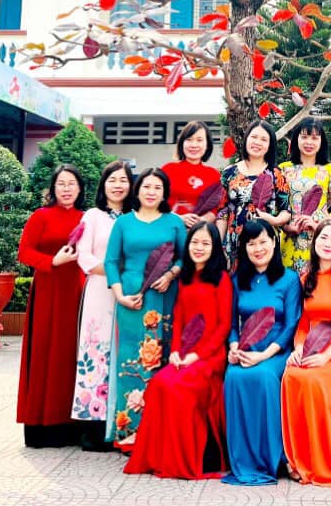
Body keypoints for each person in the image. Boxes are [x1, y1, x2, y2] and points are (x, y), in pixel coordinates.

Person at [125, 222, 233, 479]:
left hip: (210, 356)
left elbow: (223, 326)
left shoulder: (222, 279)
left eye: (205, 243)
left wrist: (198, 355)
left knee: (180, 387)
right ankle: (159, 456)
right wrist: (175, 351)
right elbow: (179, 319)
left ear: (215, 248)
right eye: (195, 242)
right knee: (159, 383)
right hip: (185, 352)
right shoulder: (185, 279)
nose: (199, 248)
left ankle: (184, 458)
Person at [104, 167, 187, 448]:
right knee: (131, 363)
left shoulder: (173, 222)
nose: (151, 192)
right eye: (147, 187)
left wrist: (171, 274)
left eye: (157, 188)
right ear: (138, 190)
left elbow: (184, 258)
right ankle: (128, 432)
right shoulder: (123, 223)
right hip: (131, 300)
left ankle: (158, 434)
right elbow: (111, 261)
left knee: (161, 361)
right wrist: (119, 295)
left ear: (165, 193)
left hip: (164, 299)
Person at [280, 219, 331, 487]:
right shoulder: (306, 279)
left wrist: (326, 357)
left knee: (316, 380)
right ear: (314, 243)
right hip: (313, 347)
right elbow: (303, 323)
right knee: (292, 376)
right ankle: (300, 460)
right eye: (323, 238)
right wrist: (299, 348)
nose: (328, 244)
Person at [221, 220, 302, 486]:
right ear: (244, 248)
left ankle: (275, 458)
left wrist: (265, 355)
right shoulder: (238, 280)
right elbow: (232, 324)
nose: (258, 248)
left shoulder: (289, 279)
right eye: (252, 243)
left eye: (263, 241)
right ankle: (243, 458)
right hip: (246, 349)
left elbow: (291, 324)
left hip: (276, 351)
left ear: (274, 242)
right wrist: (234, 346)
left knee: (264, 377)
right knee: (234, 376)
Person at [16, 165, 86, 448]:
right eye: (61, 184)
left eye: (71, 184)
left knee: (70, 354)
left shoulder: (86, 218)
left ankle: (70, 425)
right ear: (53, 188)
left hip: (76, 293)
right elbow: (24, 252)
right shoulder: (41, 216)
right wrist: (52, 262)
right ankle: (40, 424)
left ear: (80, 189)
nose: (66, 189)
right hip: (47, 291)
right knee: (44, 352)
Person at [72, 160, 132, 450]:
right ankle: (93, 429)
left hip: (129, 292)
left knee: (124, 352)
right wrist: (116, 271)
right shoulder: (92, 216)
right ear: (103, 184)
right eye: (112, 180)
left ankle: (122, 426)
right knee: (95, 353)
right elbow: (83, 256)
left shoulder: (135, 216)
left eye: (123, 180)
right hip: (99, 290)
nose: (118, 185)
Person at [217, 120, 290, 270]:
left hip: (263, 245)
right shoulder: (229, 173)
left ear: (270, 145)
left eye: (264, 139)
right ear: (246, 139)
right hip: (234, 244)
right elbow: (222, 212)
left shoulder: (276, 174)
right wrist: (218, 244)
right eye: (254, 137)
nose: (257, 142)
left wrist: (273, 220)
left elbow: (286, 211)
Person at [277, 117, 331, 272]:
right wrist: (286, 227)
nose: (309, 142)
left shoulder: (330, 170)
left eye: (314, 138)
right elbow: (276, 206)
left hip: (320, 240)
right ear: (296, 139)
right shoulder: (283, 169)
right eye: (304, 137)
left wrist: (320, 226)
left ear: (322, 141)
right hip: (289, 239)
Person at [164, 120, 222, 227]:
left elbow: (218, 207)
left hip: (200, 233)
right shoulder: (168, 170)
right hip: (170, 230)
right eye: (189, 139)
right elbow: (157, 202)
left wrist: (203, 220)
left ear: (207, 145)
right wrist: (179, 219)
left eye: (199, 140)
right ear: (182, 143)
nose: (194, 145)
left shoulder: (214, 175)